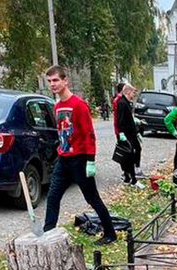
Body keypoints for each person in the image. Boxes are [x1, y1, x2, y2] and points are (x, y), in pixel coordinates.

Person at [42, 65, 117, 246]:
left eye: (56, 80)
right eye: (50, 81)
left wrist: (90, 161)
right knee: (53, 196)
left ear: (65, 81)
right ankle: (48, 234)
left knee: (91, 198)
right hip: (64, 159)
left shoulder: (78, 105)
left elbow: (89, 134)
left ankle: (110, 233)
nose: (53, 84)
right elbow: (61, 132)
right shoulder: (57, 106)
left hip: (80, 159)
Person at [113, 83, 143, 186]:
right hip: (127, 134)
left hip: (131, 133)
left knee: (131, 153)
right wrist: (121, 133)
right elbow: (120, 119)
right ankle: (132, 178)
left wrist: (137, 131)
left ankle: (128, 177)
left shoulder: (126, 102)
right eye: (132, 92)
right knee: (128, 155)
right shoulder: (122, 103)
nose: (133, 95)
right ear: (127, 91)